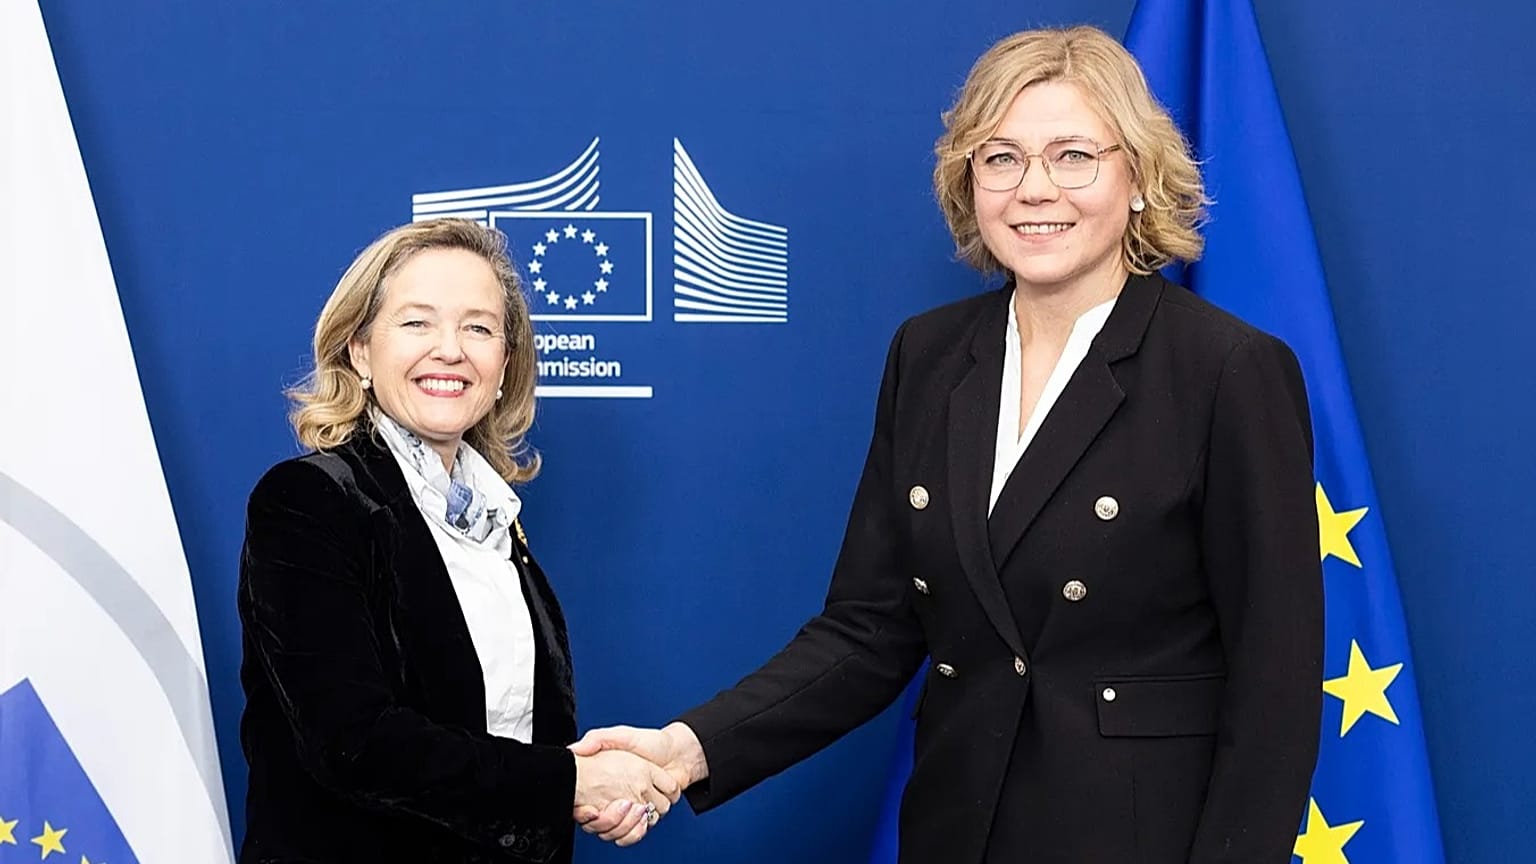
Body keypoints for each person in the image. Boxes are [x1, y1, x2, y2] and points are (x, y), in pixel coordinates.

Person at [574, 25, 1323, 863]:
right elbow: (868, 630)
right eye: (1000, 158)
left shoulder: (1228, 370)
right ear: (970, 183)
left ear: (1140, 178)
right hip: (959, 831)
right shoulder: (928, 356)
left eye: (1074, 155)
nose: (1034, 189)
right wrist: (686, 750)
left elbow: (1277, 689)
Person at [237, 218, 677, 863]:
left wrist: (590, 788)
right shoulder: (309, 499)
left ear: (504, 364)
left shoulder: (497, 520)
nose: (450, 349)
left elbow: (507, 730)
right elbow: (353, 743)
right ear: (360, 351)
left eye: (478, 327)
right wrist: (571, 782)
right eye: (417, 323)